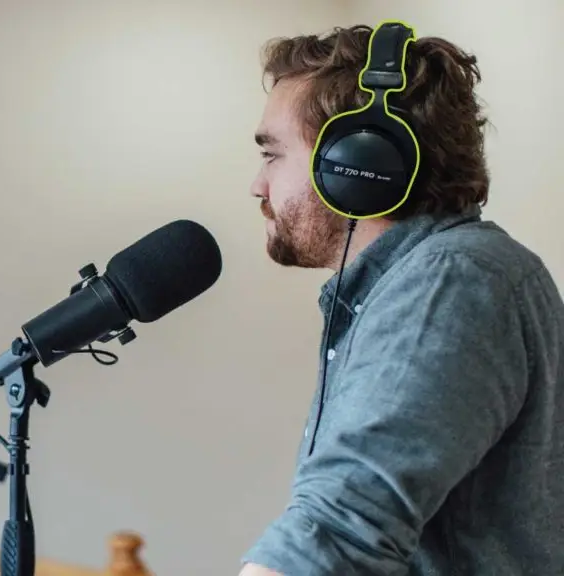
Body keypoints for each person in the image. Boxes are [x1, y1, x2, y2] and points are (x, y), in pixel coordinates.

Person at [240, 22, 564, 576]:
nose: (256, 185)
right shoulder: (425, 280)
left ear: (358, 165)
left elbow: (338, 531)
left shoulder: (454, 280)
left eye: (273, 155)